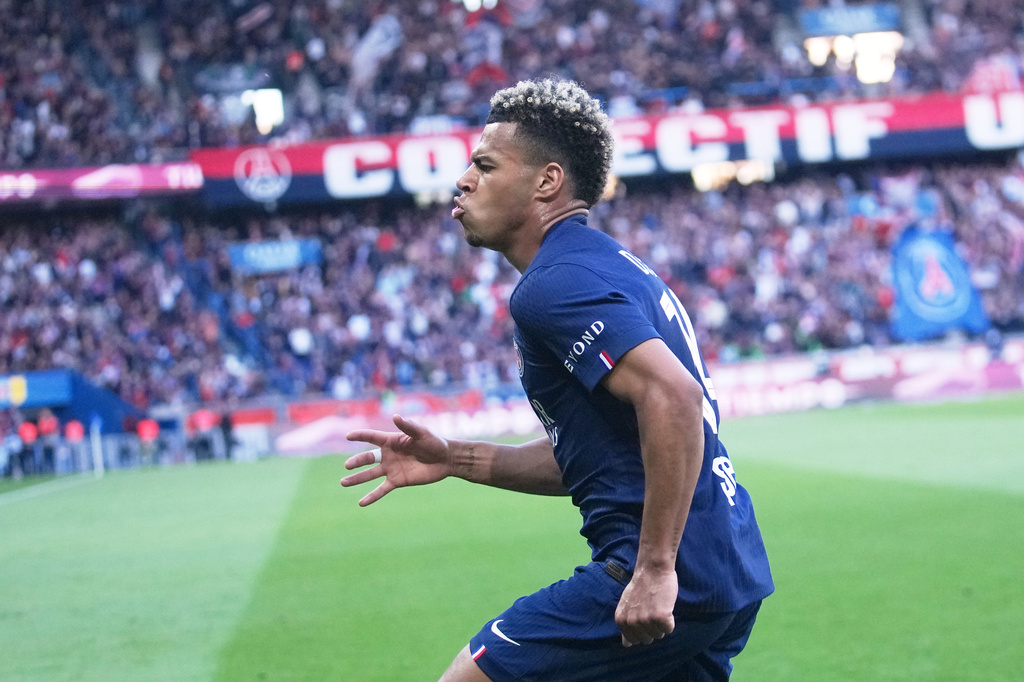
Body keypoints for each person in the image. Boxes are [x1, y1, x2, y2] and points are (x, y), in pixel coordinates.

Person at [342, 78, 773, 681]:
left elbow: (673, 396)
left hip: (666, 574)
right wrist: (457, 458)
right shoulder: (606, 263)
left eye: (485, 166)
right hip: (723, 568)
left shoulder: (554, 283)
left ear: (546, 182)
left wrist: (653, 568)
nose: (463, 180)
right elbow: (604, 454)